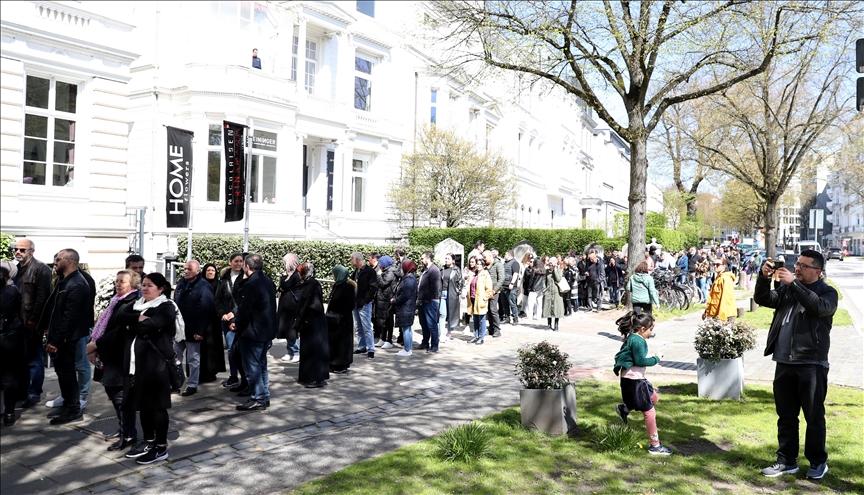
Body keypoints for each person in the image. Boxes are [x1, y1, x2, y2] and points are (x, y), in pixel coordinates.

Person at [755, 250, 837, 480]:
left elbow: (819, 308)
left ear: (817, 271)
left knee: (814, 417)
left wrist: (793, 285)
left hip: (811, 364)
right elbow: (764, 299)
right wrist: (763, 278)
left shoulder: (827, 292)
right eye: (797, 264)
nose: (797, 268)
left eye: (803, 265)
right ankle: (786, 461)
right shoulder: (788, 289)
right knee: (786, 416)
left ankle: (818, 461)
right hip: (784, 362)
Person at [116, 273, 177, 465]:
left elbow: (147, 327)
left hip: (156, 367)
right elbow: (119, 316)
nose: (145, 288)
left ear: (161, 289)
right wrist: (138, 318)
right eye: (143, 285)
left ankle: (160, 447)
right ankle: (148, 442)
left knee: (157, 407)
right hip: (137, 365)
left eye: (150, 285)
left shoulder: (167, 307)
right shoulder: (137, 304)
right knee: (142, 406)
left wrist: (132, 325)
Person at [86, 270, 140, 451]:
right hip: (109, 354)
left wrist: (95, 345)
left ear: (132, 284)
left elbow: (118, 332)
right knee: (113, 394)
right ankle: (124, 428)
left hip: (119, 356)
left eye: (122, 281)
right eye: (116, 281)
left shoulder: (130, 303)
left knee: (120, 397)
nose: (118, 284)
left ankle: (130, 435)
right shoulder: (116, 301)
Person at [43, 249, 93, 425]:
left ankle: (73, 409)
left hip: (67, 339)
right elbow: (56, 311)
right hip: (60, 336)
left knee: (68, 373)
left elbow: (70, 317)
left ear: (69, 261)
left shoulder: (77, 283)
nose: (55, 262)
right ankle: (68, 404)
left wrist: (57, 340)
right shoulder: (65, 281)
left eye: (57, 259)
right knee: (63, 373)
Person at [612, 311, 672, 455]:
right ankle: (655, 446)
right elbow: (640, 361)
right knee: (649, 412)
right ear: (642, 329)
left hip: (633, 380)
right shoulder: (638, 340)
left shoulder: (632, 338)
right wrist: (656, 358)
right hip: (635, 381)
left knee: (653, 398)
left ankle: (624, 409)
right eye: (651, 329)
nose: (651, 333)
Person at [230, 254, 276, 409]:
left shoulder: (251, 284)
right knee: (261, 364)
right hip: (264, 330)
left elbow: (245, 310)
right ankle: (263, 395)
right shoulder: (267, 281)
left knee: (252, 366)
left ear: (247, 267)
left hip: (253, 332)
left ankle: (259, 397)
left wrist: (237, 326)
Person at [13, 238, 52, 408]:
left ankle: (34, 393)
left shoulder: (41, 269)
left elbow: (43, 297)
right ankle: (22, 390)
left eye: (22, 249)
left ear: (32, 251)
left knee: (35, 359)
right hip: (15, 322)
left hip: (31, 321)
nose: (18, 252)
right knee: (19, 359)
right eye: (16, 249)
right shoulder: (14, 269)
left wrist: (35, 320)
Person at [173, 260, 215, 397]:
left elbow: (207, 310)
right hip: (179, 329)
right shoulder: (181, 283)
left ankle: (192, 384)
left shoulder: (204, 286)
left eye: (189, 269)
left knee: (193, 359)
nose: (186, 271)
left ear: (197, 271)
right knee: (174, 356)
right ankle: (176, 383)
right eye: (185, 268)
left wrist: (200, 331)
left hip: (194, 329)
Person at [1, 261, 28, 425]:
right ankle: (9, 412)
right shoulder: (13, 290)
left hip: (8, 335)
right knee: (9, 375)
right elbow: (20, 310)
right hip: (10, 336)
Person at [294, 263, 329, 387]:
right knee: (308, 350)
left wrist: (306, 318)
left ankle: (315, 378)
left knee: (314, 351)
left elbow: (313, 305)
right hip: (310, 322)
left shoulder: (312, 285)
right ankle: (308, 377)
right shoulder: (309, 284)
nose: (298, 275)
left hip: (313, 322)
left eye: (300, 273)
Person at [215, 253, 245, 388]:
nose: (239, 264)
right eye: (236, 261)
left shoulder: (245, 277)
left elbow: (244, 300)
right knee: (231, 349)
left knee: (238, 349)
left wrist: (233, 314)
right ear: (230, 262)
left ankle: (244, 377)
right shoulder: (224, 279)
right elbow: (218, 299)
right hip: (225, 318)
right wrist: (222, 314)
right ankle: (233, 376)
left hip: (239, 318)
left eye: (241, 261)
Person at [198, 263, 224, 383]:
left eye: (213, 270)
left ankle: (212, 372)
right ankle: (201, 373)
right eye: (208, 270)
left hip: (214, 322)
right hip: (202, 320)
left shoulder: (219, 285)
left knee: (213, 347)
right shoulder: (200, 284)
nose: (210, 272)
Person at [327, 265, 355, 373]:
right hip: (334, 319)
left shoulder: (348, 287)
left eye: (334, 273)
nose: (333, 276)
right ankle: (333, 363)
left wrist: (342, 316)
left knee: (342, 343)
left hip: (343, 320)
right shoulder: (336, 285)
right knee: (334, 342)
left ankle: (341, 364)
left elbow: (349, 305)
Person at [350, 252, 378, 359]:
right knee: (358, 326)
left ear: (357, 260)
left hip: (364, 303)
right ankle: (362, 346)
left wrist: (367, 299)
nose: (351, 261)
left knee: (366, 326)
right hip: (356, 303)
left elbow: (373, 287)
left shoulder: (369, 272)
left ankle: (371, 348)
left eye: (351, 259)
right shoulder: (355, 272)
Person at [277, 254, 302, 363]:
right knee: (287, 329)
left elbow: (285, 285)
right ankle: (290, 351)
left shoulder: (297, 275)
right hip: (285, 306)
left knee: (292, 330)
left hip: (293, 306)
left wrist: (283, 281)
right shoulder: (288, 275)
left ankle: (296, 351)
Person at [391, 260, 418, 357]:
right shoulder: (408, 278)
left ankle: (407, 349)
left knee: (406, 328)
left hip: (406, 308)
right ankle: (408, 348)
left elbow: (405, 295)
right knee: (407, 328)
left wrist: (395, 301)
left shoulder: (409, 279)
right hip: (407, 307)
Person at [416, 251, 441, 352]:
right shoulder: (424, 270)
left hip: (430, 301)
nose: (421, 260)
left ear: (428, 258)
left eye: (422, 258)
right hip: (422, 300)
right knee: (424, 323)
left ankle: (434, 345)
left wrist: (428, 298)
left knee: (431, 324)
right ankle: (425, 342)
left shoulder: (434, 270)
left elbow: (435, 286)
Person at [466, 257, 494, 345]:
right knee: (475, 319)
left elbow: (489, 289)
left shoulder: (486, 275)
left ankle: (481, 337)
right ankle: (476, 336)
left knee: (482, 319)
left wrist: (484, 298)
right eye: (477, 264)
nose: (478, 266)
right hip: (473, 299)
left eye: (480, 264)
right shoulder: (474, 275)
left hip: (481, 300)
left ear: (484, 266)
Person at [373, 255, 398, 349]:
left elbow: (383, 283)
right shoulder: (386, 270)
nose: (379, 265)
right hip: (382, 299)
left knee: (388, 320)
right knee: (382, 320)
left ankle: (389, 340)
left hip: (387, 299)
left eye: (380, 263)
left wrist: (379, 275)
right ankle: (382, 339)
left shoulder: (390, 272)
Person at [703, 258, 736, 322]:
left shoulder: (725, 278)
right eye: (714, 264)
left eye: (717, 264)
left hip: (724, 315)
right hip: (715, 313)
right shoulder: (718, 277)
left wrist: (721, 318)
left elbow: (726, 299)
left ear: (724, 266)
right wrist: (706, 311)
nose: (715, 266)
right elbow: (712, 297)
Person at [439, 254, 463, 341]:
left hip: (452, 294)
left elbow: (460, 282)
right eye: (445, 258)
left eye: (448, 259)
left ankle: (449, 332)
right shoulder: (441, 269)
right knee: (442, 314)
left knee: (451, 314)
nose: (446, 260)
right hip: (442, 293)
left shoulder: (456, 270)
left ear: (453, 260)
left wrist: (458, 292)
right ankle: (441, 333)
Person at [484, 250, 504, 338]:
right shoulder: (486, 266)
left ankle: (497, 329)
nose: (484, 259)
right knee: (488, 310)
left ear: (490, 256)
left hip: (495, 291)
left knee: (493, 309)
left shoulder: (498, 264)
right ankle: (491, 328)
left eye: (485, 257)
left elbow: (501, 278)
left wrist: (494, 290)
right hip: (486, 291)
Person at [541, 256, 564, 331]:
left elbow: (558, 279)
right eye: (549, 264)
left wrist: (555, 270)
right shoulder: (547, 271)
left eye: (551, 265)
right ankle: (549, 324)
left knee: (557, 309)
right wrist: (544, 289)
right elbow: (544, 281)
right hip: (548, 292)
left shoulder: (559, 271)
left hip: (556, 292)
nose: (550, 266)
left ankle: (556, 325)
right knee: (548, 308)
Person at [501, 250, 520, 325]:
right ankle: (507, 318)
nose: (504, 256)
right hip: (504, 286)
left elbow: (515, 274)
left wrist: (512, 283)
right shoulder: (505, 263)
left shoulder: (515, 263)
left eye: (505, 254)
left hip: (511, 287)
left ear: (509, 255)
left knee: (512, 303)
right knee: (504, 303)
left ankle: (515, 318)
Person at [518, 252, 534, 318]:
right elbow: (520, 273)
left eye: (531, 257)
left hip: (530, 282)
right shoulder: (522, 264)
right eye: (529, 257)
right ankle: (522, 309)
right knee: (523, 295)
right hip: (523, 281)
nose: (530, 258)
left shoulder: (533, 265)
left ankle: (527, 310)